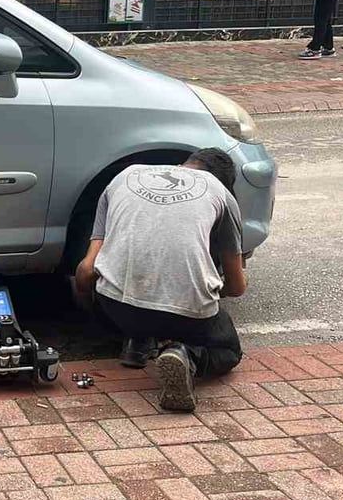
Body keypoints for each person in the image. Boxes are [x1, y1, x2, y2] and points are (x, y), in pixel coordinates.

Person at [74, 149, 247, 412]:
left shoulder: (125, 176)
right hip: (187, 318)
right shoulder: (219, 192)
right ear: (223, 182)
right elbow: (237, 287)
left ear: (182, 165)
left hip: (117, 309)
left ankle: (136, 341)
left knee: (121, 291)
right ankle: (187, 356)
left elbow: (86, 270)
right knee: (228, 350)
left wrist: (103, 315)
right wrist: (201, 286)